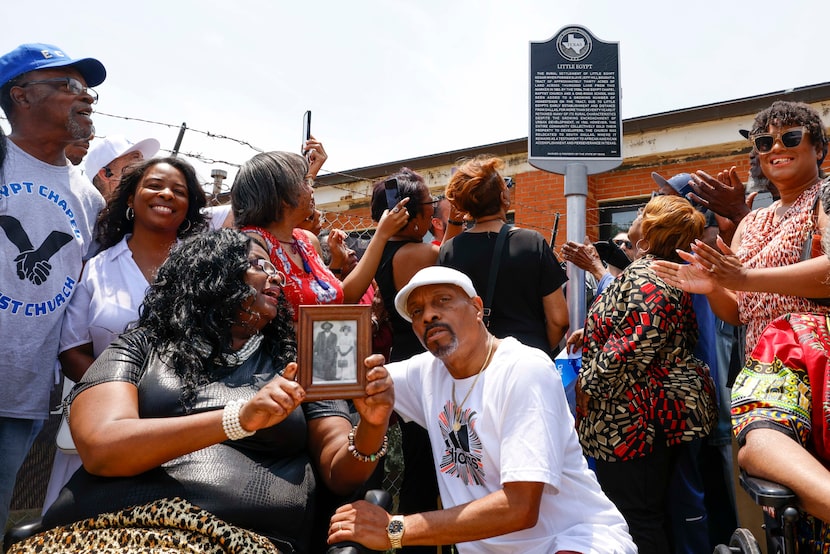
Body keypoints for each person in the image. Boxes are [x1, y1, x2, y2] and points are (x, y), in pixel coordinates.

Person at [11, 230, 394, 554]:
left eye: (276, 268)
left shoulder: (302, 357)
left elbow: (340, 474)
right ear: (212, 274)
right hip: (104, 528)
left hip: (237, 539)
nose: (275, 277)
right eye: (259, 265)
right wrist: (238, 419)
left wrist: (372, 426)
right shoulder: (141, 346)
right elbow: (102, 448)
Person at [327, 266, 636, 553]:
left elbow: (519, 507)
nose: (428, 315)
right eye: (417, 311)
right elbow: (342, 379)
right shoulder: (426, 372)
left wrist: (396, 528)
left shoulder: (523, 369)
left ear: (476, 307)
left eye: (443, 301)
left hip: (571, 541)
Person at [42, 157, 209, 510]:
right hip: (101, 427)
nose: (166, 194)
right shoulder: (97, 269)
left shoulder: (206, 274)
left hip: (185, 427)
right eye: (154, 185)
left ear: (189, 207)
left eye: (179, 191)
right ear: (131, 199)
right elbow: (72, 348)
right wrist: (121, 399)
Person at [0, 42, 106, 541]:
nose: (84, 98)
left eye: (86, 90)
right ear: (21, 95)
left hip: (21, 398)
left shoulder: (88, 198)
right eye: (67, 86)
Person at [577, 195, 718, 553]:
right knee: (643, 515)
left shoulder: (651, 278)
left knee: (636, 519)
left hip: (632, 421)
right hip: (643, 416)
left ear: (651, 231)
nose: (635, 218)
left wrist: (587, 385)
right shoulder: (656, 272)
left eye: (641, 214)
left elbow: (633, 345)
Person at [652, 100, 830, 357]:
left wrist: (745, 277)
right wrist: (713, 287)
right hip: (762, 377)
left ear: (819, 150)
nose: (776, 147)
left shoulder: (823, 197)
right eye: (765, 143)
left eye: (791, 137)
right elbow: (737, 311)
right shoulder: (751, 221)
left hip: (815, 371)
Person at [231, 151, 409, 319]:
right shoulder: (254, 244)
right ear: (283, 197)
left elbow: (343, 299)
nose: (311, 190)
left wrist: (381, 236)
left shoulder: (306, 241)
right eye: (304, 182)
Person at [438, 155, 568, 356]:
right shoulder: (532, 242)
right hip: (528, 361)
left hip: (475, 363)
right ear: (503, 197)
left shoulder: (449, 251)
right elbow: (559, 320)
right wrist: (537, 351)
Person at [83, 134, 160, 199]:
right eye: (135, 157)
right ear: (105, 174)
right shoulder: (84, 214)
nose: (143, 164)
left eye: (142, 159)